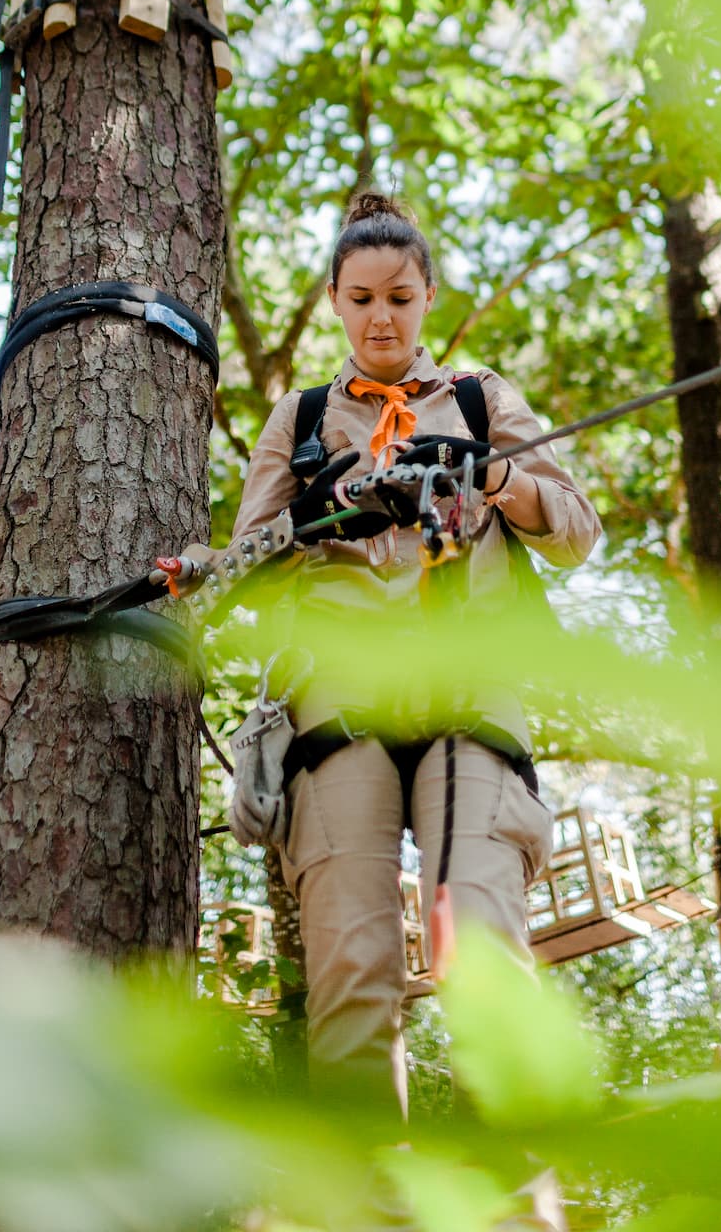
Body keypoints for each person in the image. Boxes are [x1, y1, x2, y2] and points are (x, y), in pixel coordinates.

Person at [219, 191, 599, 1113]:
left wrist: (494, 475)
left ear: (428, 295)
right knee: (352, 967)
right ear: (335, 303)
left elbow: (576, 531)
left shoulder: (479, 398)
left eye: (399, 297)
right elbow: (239, 578)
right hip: (336, 700)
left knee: (482, 938)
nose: (381, 318)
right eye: (360, 299)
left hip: (468, 690)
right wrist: (325, 510)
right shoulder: (301, 418)